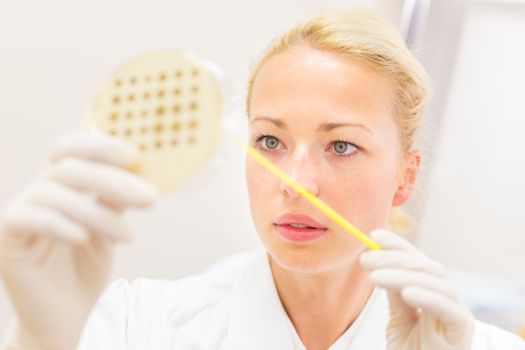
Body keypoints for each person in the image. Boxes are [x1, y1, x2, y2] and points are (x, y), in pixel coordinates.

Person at [1, 8, 524, 350]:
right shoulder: (141, 326)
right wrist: (43, 337)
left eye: (342, 145)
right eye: (270, 142)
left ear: (404, 178)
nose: (295, 182)